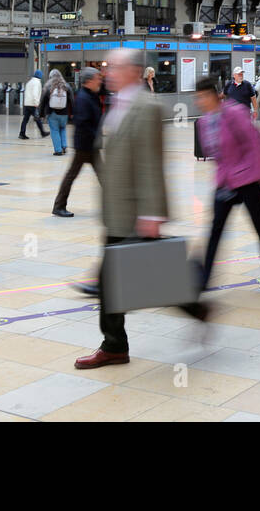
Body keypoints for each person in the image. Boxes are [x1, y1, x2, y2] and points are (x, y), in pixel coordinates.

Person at [75, 48, 206, 370]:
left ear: (134, 70)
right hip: (117, 209)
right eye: (106, 68)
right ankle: (119, 344)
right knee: (131, 278)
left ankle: (116, 346)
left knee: (127, 279)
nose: (107, 73)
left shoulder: (146, 106)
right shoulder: (118, 102)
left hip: (134, 211)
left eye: (114, 68)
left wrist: (151, 214)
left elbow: (151, 164)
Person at [195, 76, 260, 292]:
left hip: (248, 180)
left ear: (214, 95)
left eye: (203, 97)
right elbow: (215, 155)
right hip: (226, 182)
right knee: (215, 229)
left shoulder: (234, 113)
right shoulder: (205, 122)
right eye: (197, 98)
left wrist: (259, 175)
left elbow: (254, 144)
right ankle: (203, 280)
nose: (200, 101)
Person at [53, 67, 103, 217]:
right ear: (89, 81)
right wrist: (96, 137)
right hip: (85, 145)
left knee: (102, 175)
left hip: (89, 144)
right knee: (73, 175)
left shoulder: (90, 95)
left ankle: (59, 206)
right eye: (97, 78)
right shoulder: (83, 98)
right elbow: (82, 123)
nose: (99, 80)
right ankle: (58, 206)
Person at [43, 69, 73, 156]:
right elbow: (71, 100)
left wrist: (41, 114)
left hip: (52, 113)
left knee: (54, 130)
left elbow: (43, 101)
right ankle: (64, 146)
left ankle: (58, 150)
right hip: (64, 113)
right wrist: (72, 112)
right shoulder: (66, 86)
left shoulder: (48, 86)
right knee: (62, 128)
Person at [18, 70, 49, 140]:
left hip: (27, 104)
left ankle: (22, 133)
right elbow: (35, 93)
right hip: (33, 104)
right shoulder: (37, 82)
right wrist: (36, 103)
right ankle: (43, 132)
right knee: (38, 119)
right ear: (40, 75)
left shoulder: (29, 82)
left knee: (25, 120)